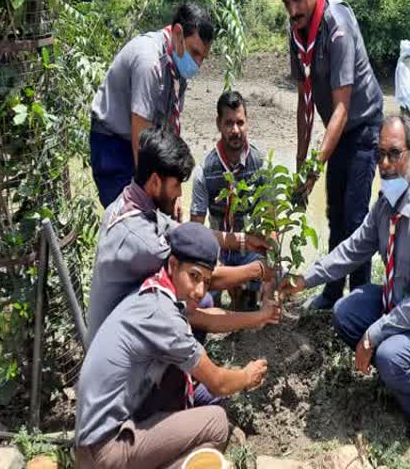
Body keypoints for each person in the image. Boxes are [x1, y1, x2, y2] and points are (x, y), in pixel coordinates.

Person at [281, 115, 410, 442]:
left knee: (389, 354)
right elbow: (351, 250)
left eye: (394, 154)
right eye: (379, 155)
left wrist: (372, 337)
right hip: (398, 305)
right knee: (345, 312)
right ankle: (398, 369)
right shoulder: (386, 204)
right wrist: (304, 279)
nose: (386, 164)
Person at [76, 222, 269, 469]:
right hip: (104, 452)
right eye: (194, 277)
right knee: (216, 423)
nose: (199, 291)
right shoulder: (163, 317)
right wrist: (246, 376)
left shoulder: (155, 288)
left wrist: (258, 317)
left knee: (198, 393)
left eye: (206, 282)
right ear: (174, 264)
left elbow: (208, 318)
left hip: (98, 435)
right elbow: (219, 383)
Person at [86, 126, 276, 347]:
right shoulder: (144, 243)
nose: (179, 194)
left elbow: (186, 234)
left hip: (123, 323)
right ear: (156, 181)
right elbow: (206, 278)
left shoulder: (129, 200)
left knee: (200, 300)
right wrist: (259, 271)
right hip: (117, 349)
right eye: (176, 185)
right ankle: (175, 376)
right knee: (194, 303)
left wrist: (244, 241)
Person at [275, 0, 384, 310]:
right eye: (285, 2)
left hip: (363, 125)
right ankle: (332, 294)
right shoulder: (297, 31)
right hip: (335, 131)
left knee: (355, 219)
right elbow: (304, 102)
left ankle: (361, 301)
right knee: (334, 212)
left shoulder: (337, 23)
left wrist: (313, 170)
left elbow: (341, 107)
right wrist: (300, 164)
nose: (293, 9)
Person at [90, 3, 212, 208]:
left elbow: (169, 131)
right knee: (132, 217)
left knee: (157, 214)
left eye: (203, 57)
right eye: (195, 52)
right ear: (178, 33)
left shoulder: (177, 66)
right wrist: (150, 197)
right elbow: (141, 136)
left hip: (144, 144)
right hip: (114, 145)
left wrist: (174, 192)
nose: (198, 64)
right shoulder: (149, 61)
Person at [191, 91, 266, 310]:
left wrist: (271, 267)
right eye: (229, 123)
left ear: (247, 122)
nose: (235, 130)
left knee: (253, 301)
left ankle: (248, 299)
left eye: (240, 122)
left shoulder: (260, 164)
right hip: (216, 250)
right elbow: (196, 232)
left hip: (249, 249)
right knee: (207, 305)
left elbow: (270, 221)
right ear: (218, 124)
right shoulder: (204, 170)